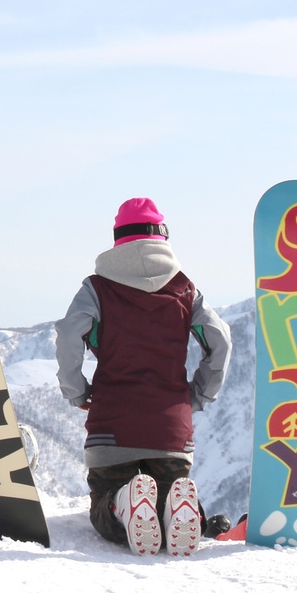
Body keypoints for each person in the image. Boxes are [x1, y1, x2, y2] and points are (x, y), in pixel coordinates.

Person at [54, 198, 231, 556]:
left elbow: (69, 335)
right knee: (167, 504)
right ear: (162, 236)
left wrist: (76, 391)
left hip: (111, 425)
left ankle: (121, 501)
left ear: (117, 238)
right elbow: (221, 340)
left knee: (105, 510)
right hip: (170, 428)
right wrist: (198, 395)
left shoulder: (97, 287)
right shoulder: (185, 289)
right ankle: (184, 512)